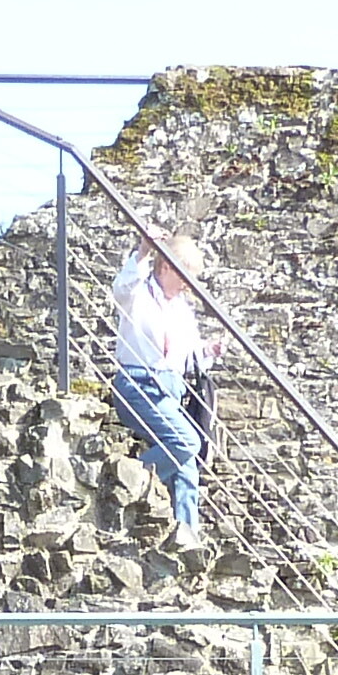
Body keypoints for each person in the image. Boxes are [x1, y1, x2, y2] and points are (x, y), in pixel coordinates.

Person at [108, 232, 224, 545]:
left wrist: (207, 351)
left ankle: (187, 535)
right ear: (167, 268)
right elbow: (121, 287)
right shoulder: (139, 292)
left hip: (169, 389)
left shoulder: (182, 310)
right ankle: (129, 478)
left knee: (187, 465)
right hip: (137, 384)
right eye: (186, 275)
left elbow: (184, 356)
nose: (190, 284)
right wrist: (144, 252)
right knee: (187, 442)